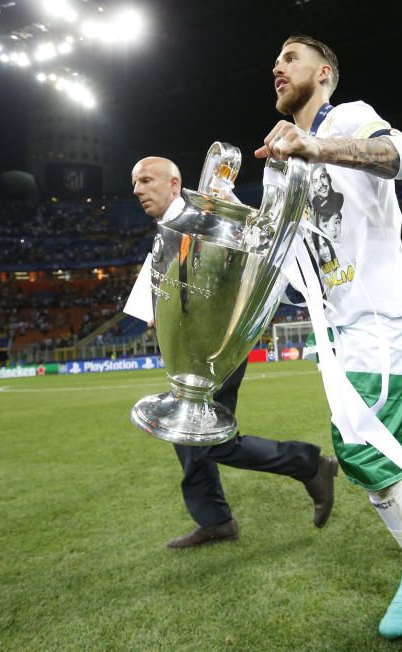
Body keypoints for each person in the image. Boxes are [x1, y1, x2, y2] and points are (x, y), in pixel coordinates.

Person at [255, 35, 402, 639]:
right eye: (276, 61)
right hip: (338, 323)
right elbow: (286, 261)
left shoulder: (351, 117)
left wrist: (315, 146)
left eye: (290, 58)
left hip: (381, 311)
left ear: (324, 72)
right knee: (391, 444)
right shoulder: (279, 161)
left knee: (359, 444)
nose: (276, 68)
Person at [130, 156, 339, 548]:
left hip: (216, 348)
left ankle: (309, 464)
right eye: (135, 183)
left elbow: (244, 259)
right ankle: (215, 520)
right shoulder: (172, 227)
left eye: (146, 180)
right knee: (186, 436)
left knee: (211, 440)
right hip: (188, 346)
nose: (138, 190)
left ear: (174, 183)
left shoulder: (206, 213)